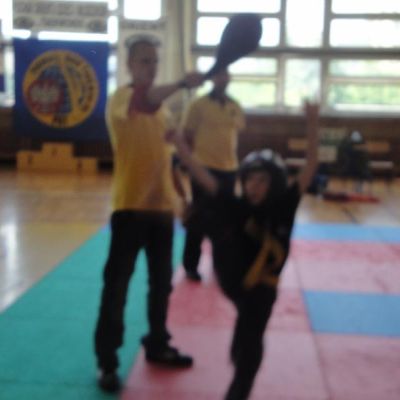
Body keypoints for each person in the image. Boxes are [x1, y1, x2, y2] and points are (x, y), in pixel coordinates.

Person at [167, 101, 320, 400]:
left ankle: (241, 385)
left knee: (248, 346)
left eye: (261, 181)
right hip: (232, 277)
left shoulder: (284, 206)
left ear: (275, 184)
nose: (253, 186)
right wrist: (180, 146)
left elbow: (311, 164)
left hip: (261, 288)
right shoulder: (238, 206)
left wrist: (312, 122)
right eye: (249, 179)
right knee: (214, 212)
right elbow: (204, 177)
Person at [94, 36, 204, 393]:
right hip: (130, 209)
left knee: (161, 286)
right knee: (117, 288)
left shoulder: (164, 113)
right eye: (144, 61)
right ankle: (108, 361)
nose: (151, 67)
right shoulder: (121, 99)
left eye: (155, 61)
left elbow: (167, 162)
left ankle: (157, 343)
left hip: (161, 213)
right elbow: (145, 99)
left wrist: (183, 199)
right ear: (129, 65)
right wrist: (183, 83)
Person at [181, 68, 245, 281]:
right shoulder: (197, 105)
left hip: (229, 169)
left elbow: (237, 131)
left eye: (225, 75)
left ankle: (221, 266)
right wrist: (192, 164)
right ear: (213, 78)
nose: (223, 79)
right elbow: (187, 136)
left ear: (229, 78)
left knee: (225, 221)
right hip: (203, 168)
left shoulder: (235, 105)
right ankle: (191, 265)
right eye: (219, 75)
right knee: (199, 218)